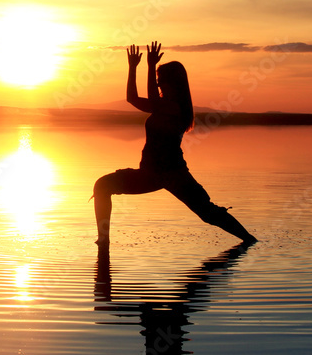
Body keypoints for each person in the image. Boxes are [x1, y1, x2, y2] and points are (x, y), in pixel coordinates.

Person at [93, 42, 257, 248]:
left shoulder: (175, 108)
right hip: (149, 174)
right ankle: (104, 240)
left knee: (208, 213)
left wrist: (151, 66)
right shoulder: (161, 106)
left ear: (175, 84)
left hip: (173, 174)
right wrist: (133, 67)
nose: (159, 86)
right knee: (102, 185)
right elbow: (132, 98)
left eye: (162, 82)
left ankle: (249, 240)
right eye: (158, 82)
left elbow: (153, 98)